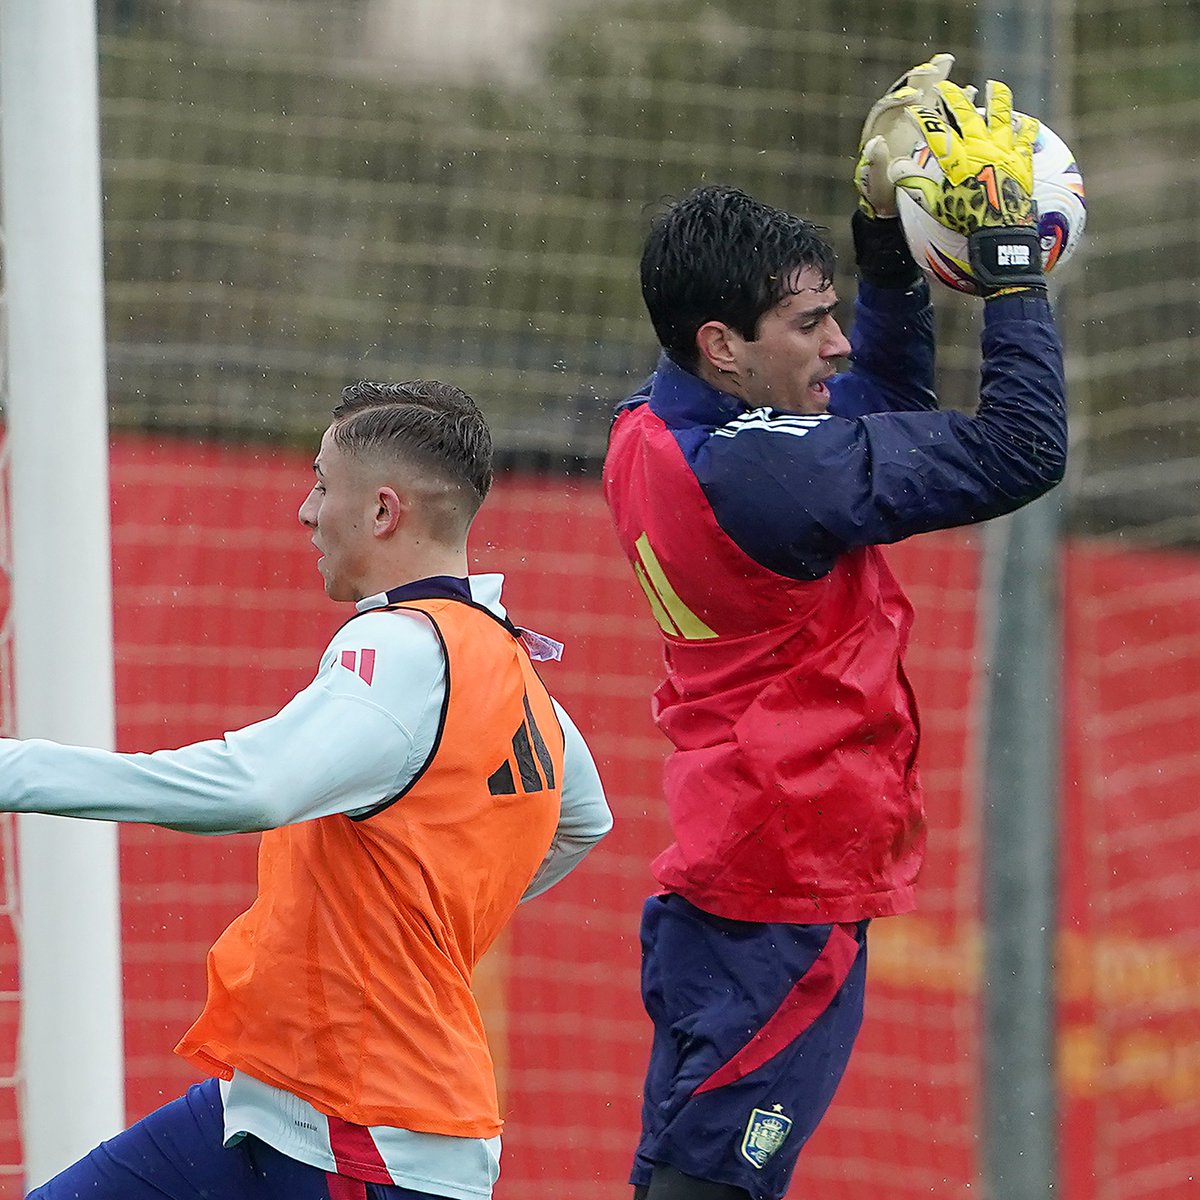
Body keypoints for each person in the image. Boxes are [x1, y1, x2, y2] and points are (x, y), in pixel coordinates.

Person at [602, 58, 1067, 1200]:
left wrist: (883, 246)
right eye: (810, 324)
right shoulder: (767, 475)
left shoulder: (652, 430)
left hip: (729, 875)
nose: (837, 343)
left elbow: (872, 420)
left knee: (684, 1179)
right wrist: (1010, 266)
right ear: (722, 344)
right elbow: (1023, 449)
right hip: (783, 888)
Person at [8, 379, 612, 1200]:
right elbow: (584, 817)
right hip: (269, 1111)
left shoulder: (400, 650)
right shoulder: (508, 663)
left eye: (324, 484)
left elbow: (254, 787)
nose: (305, 509)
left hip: (366, 1137)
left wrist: (16, 768)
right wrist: (433, 920)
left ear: (383, 512)